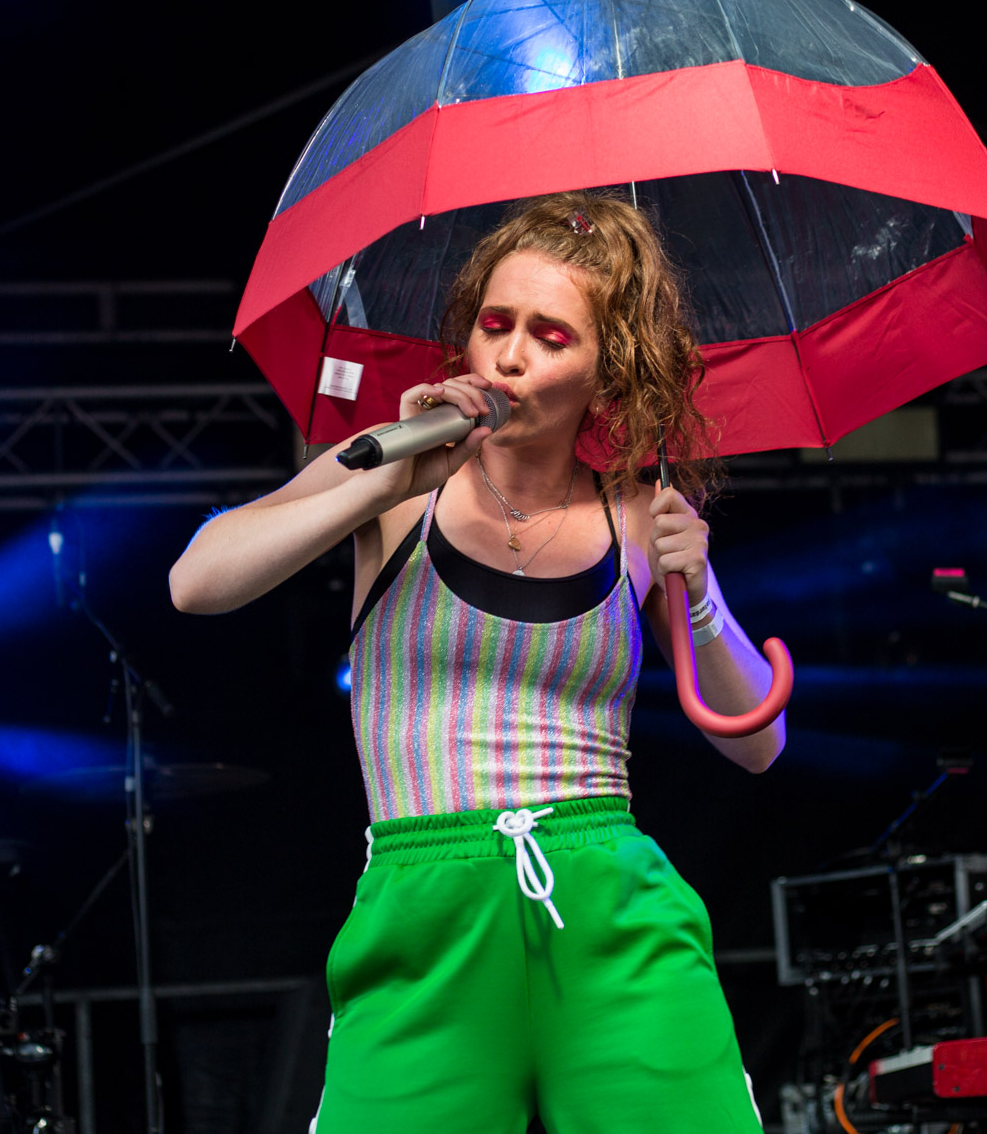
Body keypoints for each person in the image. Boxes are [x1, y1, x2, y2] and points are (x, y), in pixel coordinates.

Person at [171, 192, 781, 1134]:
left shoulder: (636, 513)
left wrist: (695, 591)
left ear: (604, 369)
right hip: (426, 910)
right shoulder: (391, 474)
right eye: (495, 324)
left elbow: (757, 743)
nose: (509, 355)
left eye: (550, 336)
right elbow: (196, 582)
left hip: (607, 906)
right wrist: (376, 481)